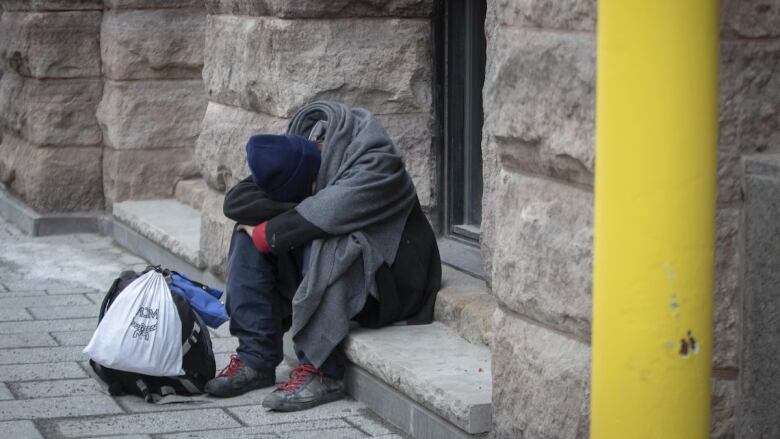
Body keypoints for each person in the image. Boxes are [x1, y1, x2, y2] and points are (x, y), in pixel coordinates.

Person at [204, 101, 441, 412]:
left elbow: (315, 220)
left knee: (328, 240)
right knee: (245, 234)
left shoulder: (375, 163)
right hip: (355, 274)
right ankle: (256, 358)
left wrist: (300, 214)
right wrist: (303, 206)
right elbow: (235, 202)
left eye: (310, 191)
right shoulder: (302, 146)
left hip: (395, 282)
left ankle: (324, 371)